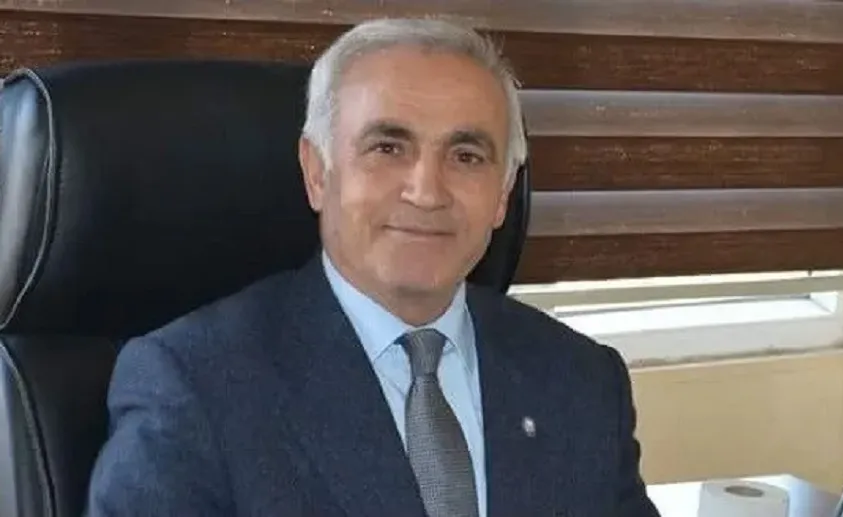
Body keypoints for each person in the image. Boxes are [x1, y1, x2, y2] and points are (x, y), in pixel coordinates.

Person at [86, 17, 660, 517]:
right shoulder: (194, 386)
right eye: (388, 147)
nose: (427, 192)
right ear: (317, 172)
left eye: (466, 156)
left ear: (503, 194)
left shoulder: (582, 381)